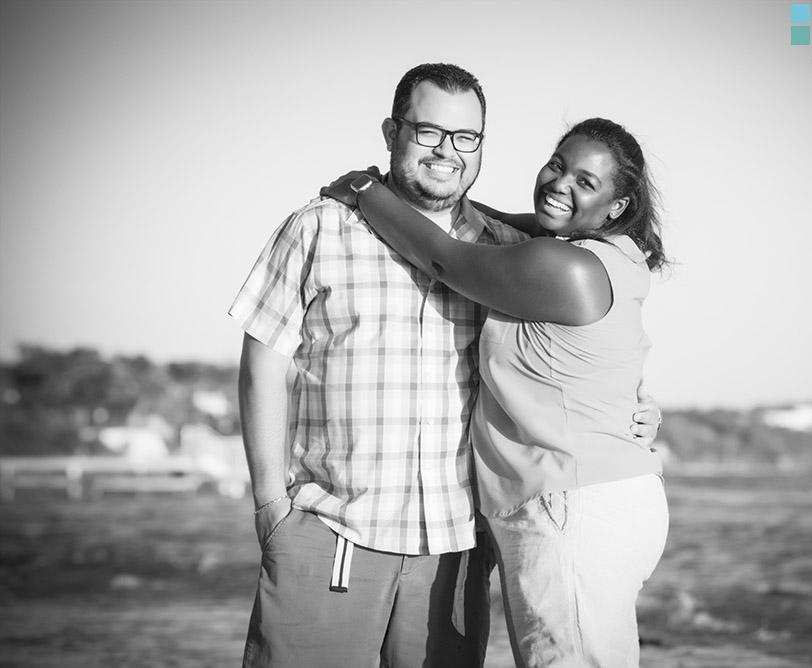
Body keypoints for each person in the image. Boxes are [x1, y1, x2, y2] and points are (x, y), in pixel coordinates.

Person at [229, 63, 661, 668]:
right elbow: (262, 365)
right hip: (334, 528)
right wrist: (272, 505)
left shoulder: (510, 252)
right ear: (391, 131)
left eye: (465, 138)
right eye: (427, 132)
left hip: (456, 542)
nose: (446, 151)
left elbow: (451, 265)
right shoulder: (318, 228)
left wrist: (641, 406)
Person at [323, 117, 670, 667]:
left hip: (569, 505)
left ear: (616, 207)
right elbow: (517, 222)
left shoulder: (563, 266)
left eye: (585, 181)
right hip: (601, 494)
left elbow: (444, 259)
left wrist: (367, 192)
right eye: (557, 165)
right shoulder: (614, 256)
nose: (560, 184)